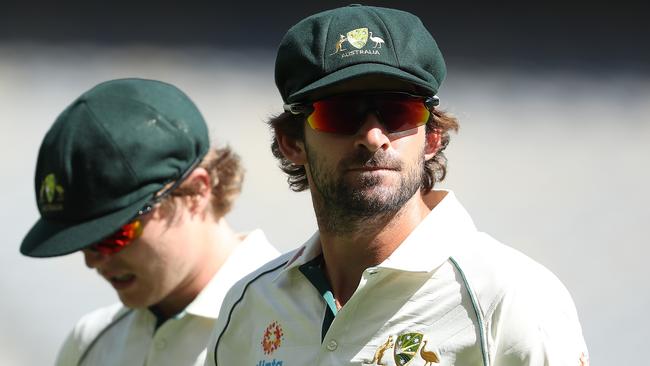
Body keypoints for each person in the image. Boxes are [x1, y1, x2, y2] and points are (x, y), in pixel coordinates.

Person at [204, 4, 590, 366]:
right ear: (292, 142)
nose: (373, 137)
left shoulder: (511, 295)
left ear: (432, 137)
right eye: (340, 113)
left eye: (398, 112)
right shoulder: (249, 304)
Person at [20, 78, 279, 366]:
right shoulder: (90, 344)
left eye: (113, 234)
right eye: (84, 243)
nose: (93, 261)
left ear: (196, 191)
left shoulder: (303, 316)